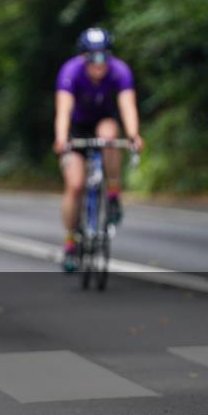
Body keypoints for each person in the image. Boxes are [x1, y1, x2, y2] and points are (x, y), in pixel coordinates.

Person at [53, 27, 143, 272]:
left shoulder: (120, 71)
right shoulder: (71, 72)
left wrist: (134, 134)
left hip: (104, 122)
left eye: (103, 56)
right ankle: (70, 242)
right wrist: (61, 139)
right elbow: (63, 111)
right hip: (77, 129)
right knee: (75, 186)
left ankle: (113, 191)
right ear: (84, 57)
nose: (98, 63)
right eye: (92, 57)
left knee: (109, 135)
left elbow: (127, 106)